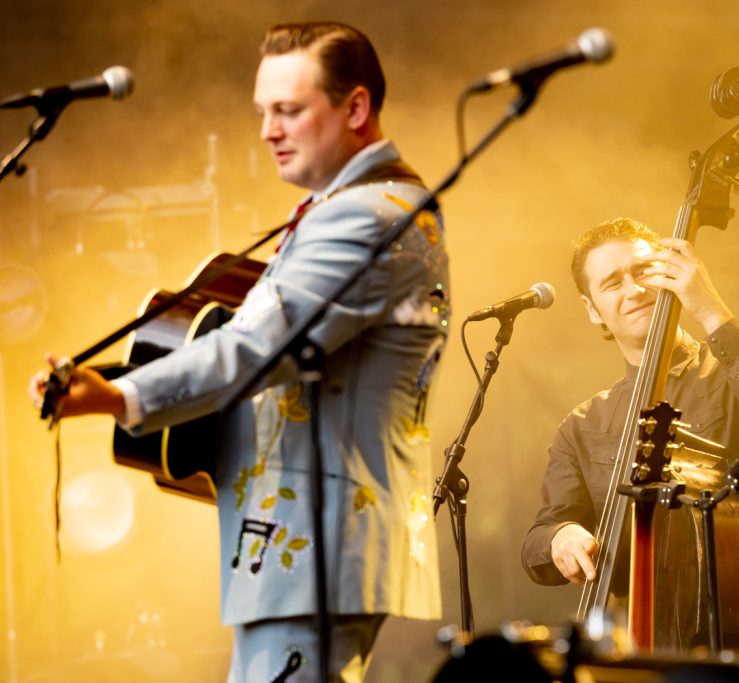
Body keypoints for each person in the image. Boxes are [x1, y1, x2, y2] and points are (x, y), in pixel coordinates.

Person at [30, 22, 448, 683]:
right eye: (262, 112)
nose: (267, 131)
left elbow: (256, 346)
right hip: (305, 542)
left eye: (288, 109)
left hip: (317, 542)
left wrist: (117, 395)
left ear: (355, 108)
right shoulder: (358, 207)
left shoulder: (364, 215)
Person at [521, 217, 739, 597]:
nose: (635, 290)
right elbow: (539, 540)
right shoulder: (582, 426)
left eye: (644, 272)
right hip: (636, 626)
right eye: (613, 283)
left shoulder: (738, 370)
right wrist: (560, 536)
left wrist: (709, 308)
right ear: (592, 310)